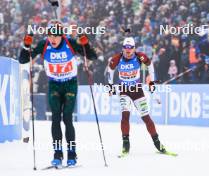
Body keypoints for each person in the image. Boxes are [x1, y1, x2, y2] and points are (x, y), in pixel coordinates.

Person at [19, 20, 97, 166]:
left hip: (70, 84)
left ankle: (72, 154)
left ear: (61, 35)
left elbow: (92, 57)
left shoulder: (70, 43)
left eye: (55, 35)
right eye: (50, 35)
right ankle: (57, 154)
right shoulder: (44, 44)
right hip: (54, 84)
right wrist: (26, 45)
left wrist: (86, 44)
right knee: (55, 119)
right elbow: (23, 60)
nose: (52, 39)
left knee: (67, 119)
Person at [107, 37, 167, 155]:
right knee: (125, 115)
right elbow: (110, 70)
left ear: (134, 48)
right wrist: (110, 86)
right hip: (124, 90)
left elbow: (150, 66)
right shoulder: (117, 59)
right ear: (123, 48)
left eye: (130, 48)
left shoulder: (140, 56)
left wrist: (152, 83)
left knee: (146, 117)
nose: (128, 50)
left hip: (137, 90)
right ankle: (126, 144)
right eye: (125, 47)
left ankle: (157, 143)